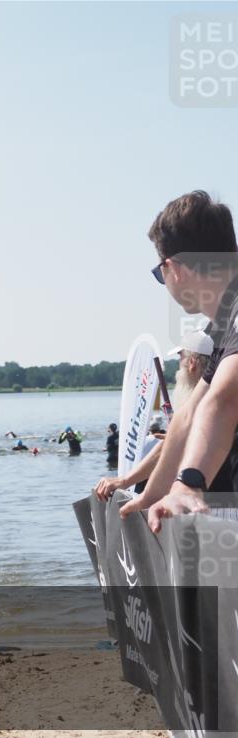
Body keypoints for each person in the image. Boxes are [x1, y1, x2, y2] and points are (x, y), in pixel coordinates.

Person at [119, 190, 238, 529]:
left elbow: (225, 400)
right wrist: (152, 494)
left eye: (160, 274)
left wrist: (188, 483)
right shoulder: (222, 325)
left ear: (173, 268)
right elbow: (188, 416)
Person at [94, 331, 214, 501]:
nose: (179, 368)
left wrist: (124, 480)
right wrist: (169, 436)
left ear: (192, 363)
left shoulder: (201, 400)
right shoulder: (220, 391)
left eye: (180, 359)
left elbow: (169, 449)